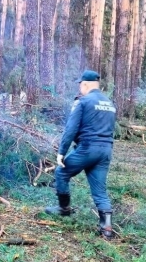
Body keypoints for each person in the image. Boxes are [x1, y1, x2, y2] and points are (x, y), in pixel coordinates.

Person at [45, 70, 117, 239]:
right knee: (100, 191)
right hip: (105, 150)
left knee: (61, 172)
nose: (80, 88)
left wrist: (61, 152)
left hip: (87, 148)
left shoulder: (83, 102)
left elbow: (70, 129)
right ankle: (106, 228)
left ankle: (64, 208)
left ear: (85, 84)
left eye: (80, 85)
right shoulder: (110, 104)